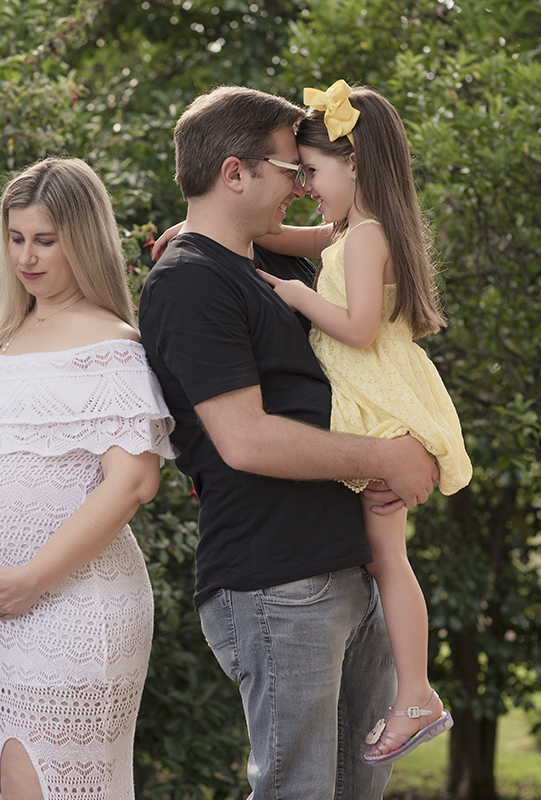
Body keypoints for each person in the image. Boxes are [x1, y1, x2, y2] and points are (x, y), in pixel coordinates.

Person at [137, 85, 438, 800]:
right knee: (296, 791)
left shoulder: (285, 271)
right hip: (277, 580)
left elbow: (369, 355)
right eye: (288, 170)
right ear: (235, 172)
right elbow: (243, 441)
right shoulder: (190, 284)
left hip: (350, 569)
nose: (303, 188)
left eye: (311, 173)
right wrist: (384, 457)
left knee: (351, 792)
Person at [0, 157, 174, 800]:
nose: (27, 257)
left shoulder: (111, 344)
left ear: (82, 239)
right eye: (16, 238)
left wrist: (34, 576)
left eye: (46, 240)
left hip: (67, 605)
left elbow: (132, 483)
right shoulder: (9, 335)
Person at [251, 80, 471, 766]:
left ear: (355, 165)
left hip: (379, 404)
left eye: (313, 172)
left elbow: (357, 327)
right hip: (378, 398)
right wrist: (200, 231)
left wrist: (291, 292)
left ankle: (415, 694)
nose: (308, 186)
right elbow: (280, 232)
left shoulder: (365, 237)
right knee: (383, 557)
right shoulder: (355, 231)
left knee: (389, 558)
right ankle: (413, 690)